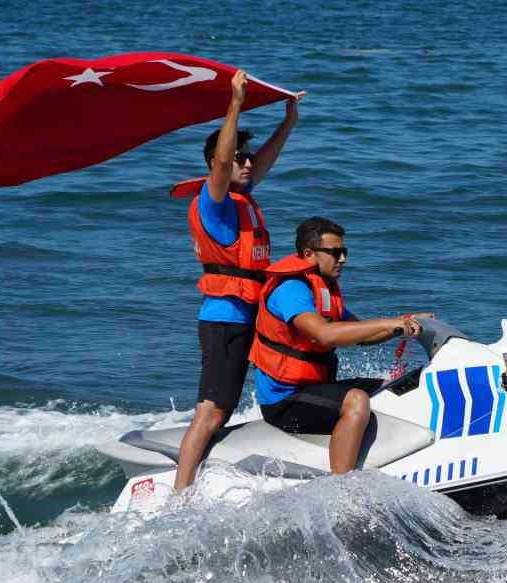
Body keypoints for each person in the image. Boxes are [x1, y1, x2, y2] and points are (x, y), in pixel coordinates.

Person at [171, 69, 303, 492]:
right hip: (225, 318)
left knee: (256, 393)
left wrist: (288, 121)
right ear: (215, 166)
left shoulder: (243, 199)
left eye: (248, 158)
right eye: (238, 158)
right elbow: (226, 160)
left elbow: (264, 160)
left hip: (251, 313)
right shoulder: (214, 204)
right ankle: (181, 492)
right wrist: (235, 102)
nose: (247, 163)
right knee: (211, 410)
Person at [250, 217, 428, 474]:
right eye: (335, 253)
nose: (343, 258)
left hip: (314, 388)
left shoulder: (323, 290)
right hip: (284, 401)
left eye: (344, 251)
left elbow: (363, 336)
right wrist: (388, 323)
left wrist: (403, 323)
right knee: (356, 401)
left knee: (394, 388)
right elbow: (324, 334)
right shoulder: (290, 290)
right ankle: (342, 487)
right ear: (309, 254)